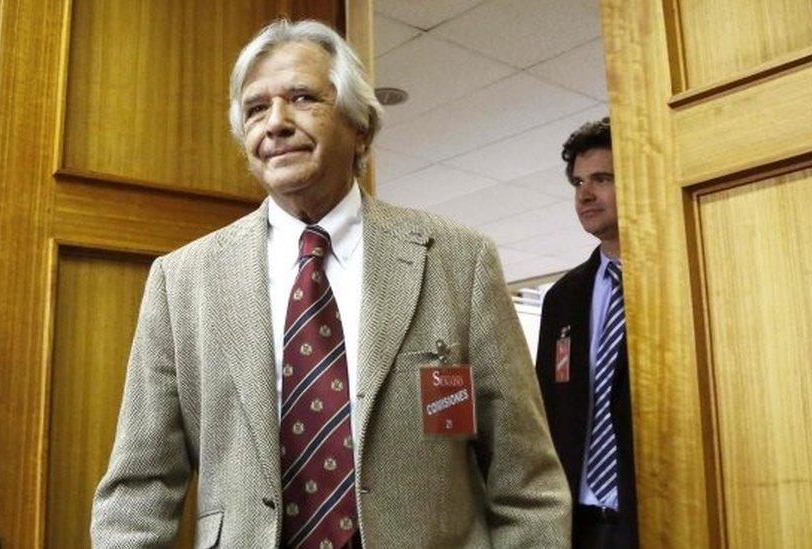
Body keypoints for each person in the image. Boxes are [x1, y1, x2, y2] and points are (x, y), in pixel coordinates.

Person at [92, 19, 570, 548]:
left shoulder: (460, 260)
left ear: (359, 124)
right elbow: (139, 490)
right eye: (255, 108)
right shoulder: (182, 279)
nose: (275, 123)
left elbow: (527, 486)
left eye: (301, 98)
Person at [535, 118, 638, 548]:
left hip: (654, 510)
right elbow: (546, 408)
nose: (585, 194)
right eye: (578, 182)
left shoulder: (675, 272)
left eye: (602, 178)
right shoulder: (563, 296)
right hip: (579, 524)